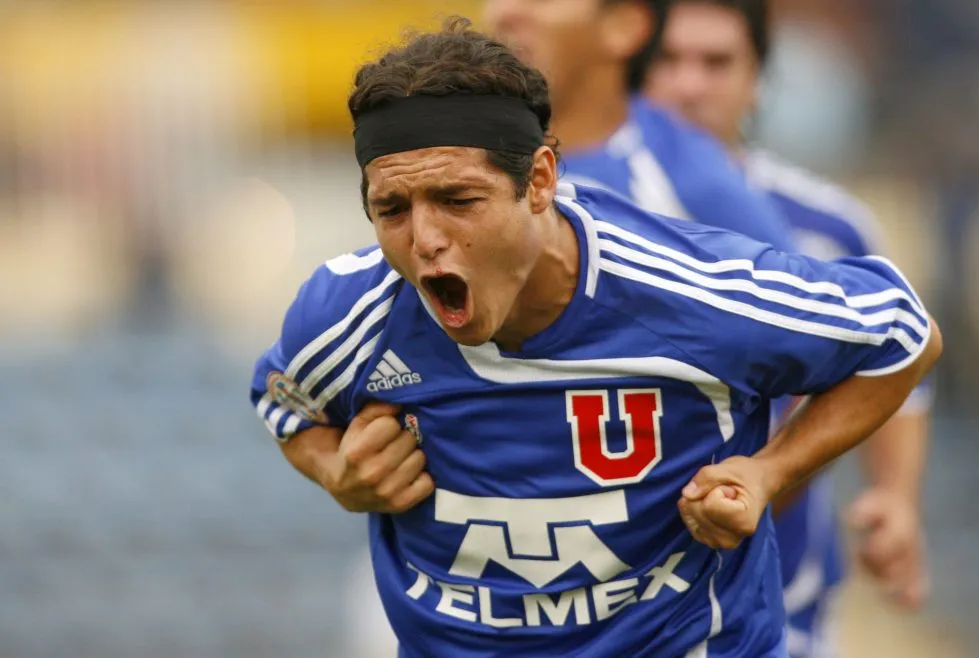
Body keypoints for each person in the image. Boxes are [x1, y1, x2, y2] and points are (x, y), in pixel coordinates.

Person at [250, 19, 941, 658]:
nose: (426, 240)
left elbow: (903, 333)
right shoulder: (347, 313)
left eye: (459, 201)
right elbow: (283, 400)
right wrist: (335, 471)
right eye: (392, 209)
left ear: (541, 180)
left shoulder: (684, 291)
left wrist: (769, 472)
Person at [642, 2, 933, 656]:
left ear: (758, 78)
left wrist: (895, 498)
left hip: (782, 587)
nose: (690, 84)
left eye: (716, 62)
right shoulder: (574, 221)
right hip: (617, 591)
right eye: (669, 60)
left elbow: (901, 365)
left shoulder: (830, 227)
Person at [482, 0, 796, 252]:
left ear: (623, 26)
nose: (506, 11)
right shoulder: (454, 150)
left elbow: (793, 317)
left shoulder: (691, 185)